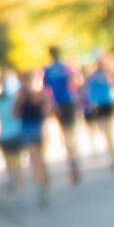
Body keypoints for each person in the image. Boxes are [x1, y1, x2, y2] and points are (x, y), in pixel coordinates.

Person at [41, 47, 84, 183]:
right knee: (71, 132)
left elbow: (46, 90)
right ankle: (75, 159)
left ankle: (71, 160)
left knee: (65, 133)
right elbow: (74, 83)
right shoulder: (66, 68)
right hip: (68, 102)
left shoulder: (47, 71)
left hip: (58, 104)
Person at [16, 70, 53, 205]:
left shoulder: (40, 93)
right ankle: (42, 184)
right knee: (35, 158)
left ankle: (44, 183)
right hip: (28, 127)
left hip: (37, 126)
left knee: (39, 158)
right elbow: (15, 112)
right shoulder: (21, 95)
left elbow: (48, 108)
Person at [0, 69, 28, 208]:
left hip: (4, 135)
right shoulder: (13, 99)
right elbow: (17, 115)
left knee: (9, 161)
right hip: (15, 133)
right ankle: (21, 194)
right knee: (17, 164)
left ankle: (11, 177)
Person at [83, 56, 114, 171]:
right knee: (106, 131)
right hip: (100, 105)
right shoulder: (94, 76)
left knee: (107, 131)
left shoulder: (105, 74)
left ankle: (112, 156)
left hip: (105, 104)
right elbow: (88, 92)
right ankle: (111, 154)